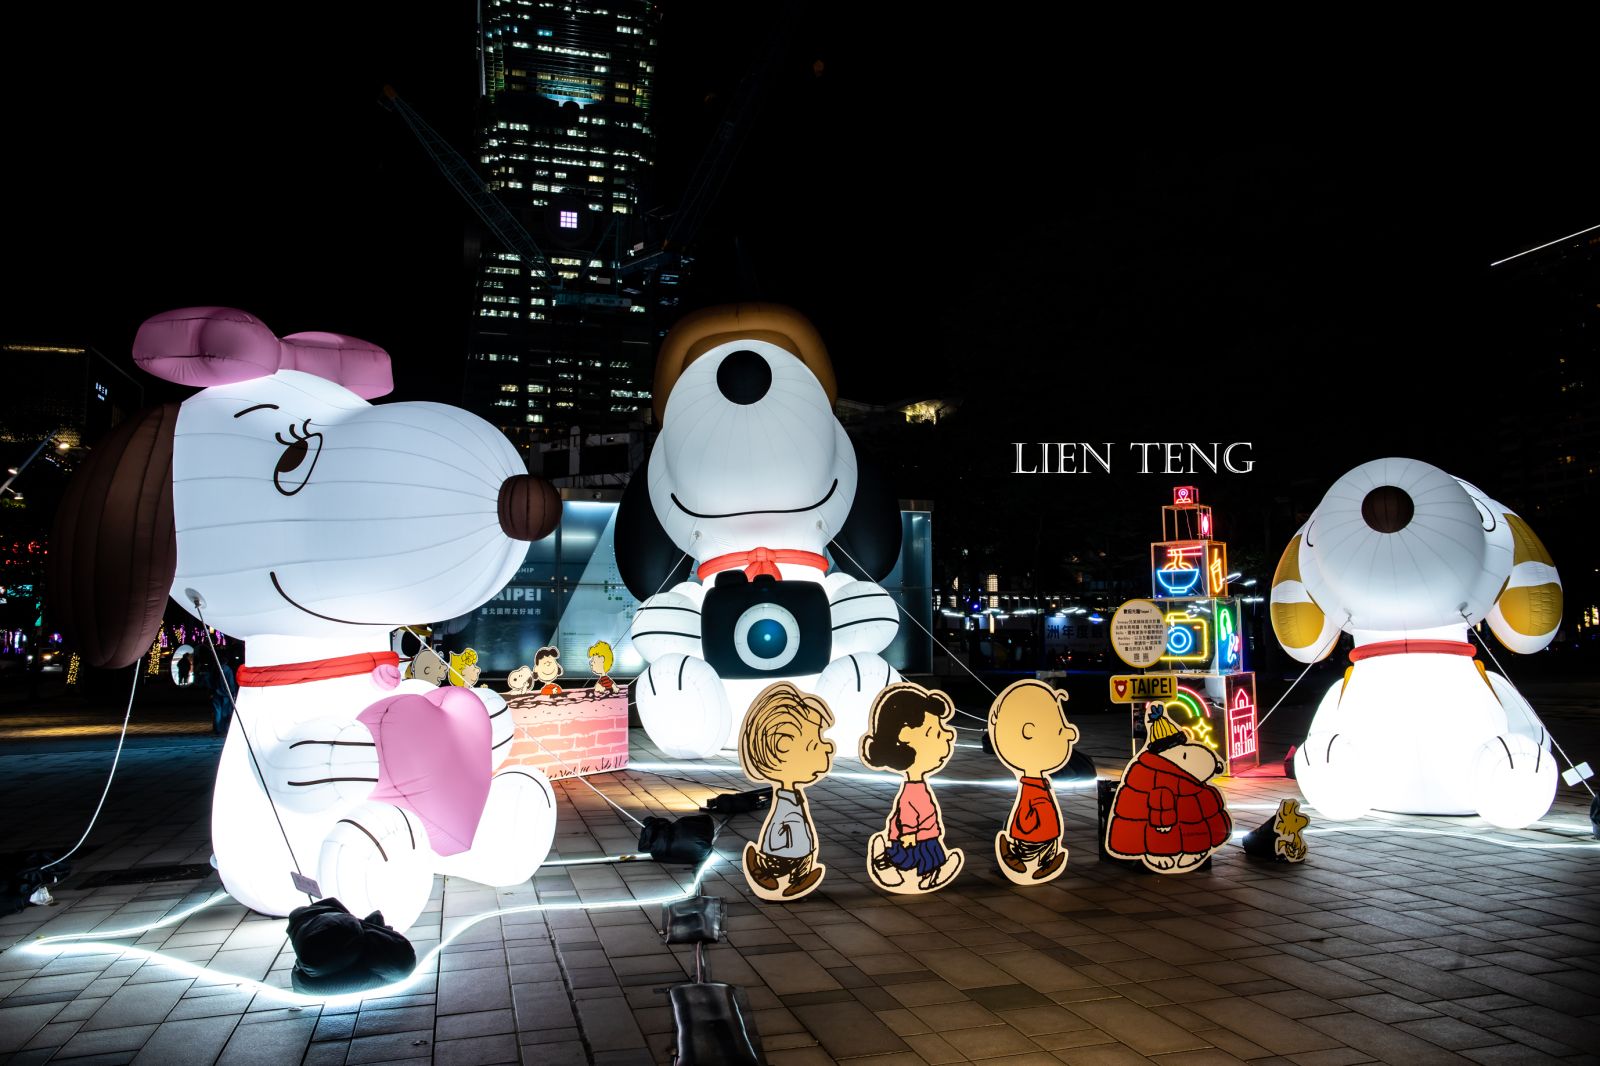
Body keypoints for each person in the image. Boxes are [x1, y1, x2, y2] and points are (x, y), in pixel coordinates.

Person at [860, 683, 964, 892]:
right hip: (917, 836)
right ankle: (886, 863)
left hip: (925, 834)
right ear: (906, 736)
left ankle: (928, 873)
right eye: (935, 733)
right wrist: (909, 833)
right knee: (914, 857)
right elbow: (906, 813)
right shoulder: (912, 791)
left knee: (926, 855)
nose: (949, 736)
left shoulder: (917, 787)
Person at [739, 682, 835, 900]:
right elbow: (779, 827)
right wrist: (781, 845)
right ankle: (764, 870)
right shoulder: (786, 802)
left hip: (797, 853)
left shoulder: (792, 798)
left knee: (794, 856)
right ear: (784, 747)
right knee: (779, 859)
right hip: (784, 853)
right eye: (814, 744)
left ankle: (797, 877)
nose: (828, 746)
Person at [989, 678, 1078, 883]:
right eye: (1059, 730)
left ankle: (1037, 859)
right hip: (1037, 830)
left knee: (1038, 842)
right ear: (1028, 732)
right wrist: (1033, 825)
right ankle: (1023, 857)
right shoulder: (1033, 787)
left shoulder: (1034, 784)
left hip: (1038, 829)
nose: (1069, 734)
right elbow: (1035, 810)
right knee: (1034, 842)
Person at [208, 653, 239, 735]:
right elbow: (231, 683)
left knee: (217, 711)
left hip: (216, 692)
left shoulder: (215, 669)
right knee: (225, 711)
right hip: (226, 694)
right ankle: (224, 728)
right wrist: (233, 692)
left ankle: (217, 728)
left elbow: (210, 680)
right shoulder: (228, 670)